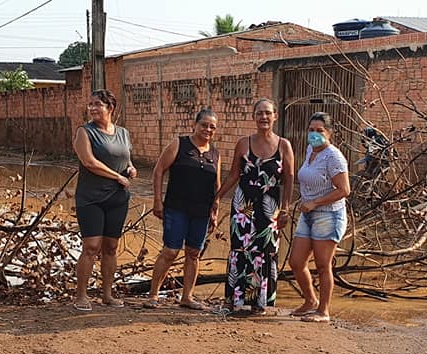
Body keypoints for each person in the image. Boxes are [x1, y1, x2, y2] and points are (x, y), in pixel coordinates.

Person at [214, 98, 295, 315]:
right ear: (253, 117)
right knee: (240, 250)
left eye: (268, 113)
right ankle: (235, 299)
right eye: (259, 113)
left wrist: (286, 209)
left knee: (266, 251)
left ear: (275, 116)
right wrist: (217, 197)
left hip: (270, 208)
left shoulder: (284, 145)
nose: (264, 117)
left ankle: (261, 301)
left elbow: (289, 178)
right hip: (243, 207)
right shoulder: (243, 143)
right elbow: (233, 175)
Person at [145, 108, 221, 310]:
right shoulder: (179, 144)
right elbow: (159, 170)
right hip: (176, 207)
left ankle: (186, 297)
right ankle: (153, 295)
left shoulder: (215, 153)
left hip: (201, 211)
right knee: (170, 251)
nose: (207, 129)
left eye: (212, 127)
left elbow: (217, 185)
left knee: (194, 253)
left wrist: (215, 211)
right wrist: (157, 200)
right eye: (204, 125)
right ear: (194, 125)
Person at [72, 89, 138, 311]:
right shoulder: (85, 132)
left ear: (110, 108)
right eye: (90, 104)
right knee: (91, 246)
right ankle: (81, 296)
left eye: (97, 104)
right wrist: (117, 175)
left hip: (117, 198)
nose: (92, 108)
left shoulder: (123, 133)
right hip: (91, 198)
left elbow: (126, 159)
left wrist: (130, 169)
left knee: (111, 247)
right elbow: (89, 162)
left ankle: (107, 295)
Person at [289, 112, 351, 323]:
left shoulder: (334, 157)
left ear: (330, 133)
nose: (314, 135)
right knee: (296, 262)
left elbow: (344, 189)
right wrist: (303, 201)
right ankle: (310, 301)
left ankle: (323, 311)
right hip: (308, 214)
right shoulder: (310, 151)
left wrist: (315, 202)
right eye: (312, 130)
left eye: (320, 131)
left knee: (323, 265)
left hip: (328, 215)